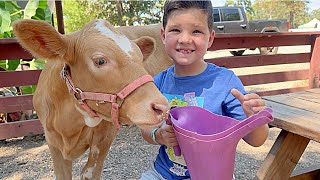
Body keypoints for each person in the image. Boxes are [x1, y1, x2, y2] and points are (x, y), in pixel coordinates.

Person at [140, 0, 269, 179]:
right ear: (163, 35)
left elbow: (256, 141)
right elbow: (146, 129)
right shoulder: (157, 82)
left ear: (210, 38)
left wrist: (255, 118)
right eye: (176, 30)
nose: (185, 39)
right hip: (162, 174)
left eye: (196, 31)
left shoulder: (225, 82)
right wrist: (158, 135)